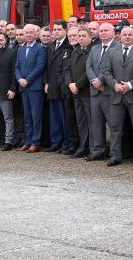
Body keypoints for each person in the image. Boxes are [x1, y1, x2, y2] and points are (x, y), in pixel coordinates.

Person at [101, 25, 133, 168]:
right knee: (115, 128)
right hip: (116, 95)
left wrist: (130, 85)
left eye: (130, 35)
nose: (127, 37)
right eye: (124, 34)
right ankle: (115, 156)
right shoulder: (112, 52)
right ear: (120, 36)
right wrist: (115, 85)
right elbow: (106, 72)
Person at [85, 22, 116, 161]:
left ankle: (114, 152)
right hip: (95, 92)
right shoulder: (94, 48)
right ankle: (98, 150)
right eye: (101, 31)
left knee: (113, 123)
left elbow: (111, 68)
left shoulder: (118, 47)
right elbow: (89, 66)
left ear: (113, 33)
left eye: (106, 31)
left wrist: (101, 80)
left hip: (109, 91)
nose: (103, 33)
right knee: (96, 123)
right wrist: (94, 81)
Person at [15, 24, 47, 153]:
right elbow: (16, 66)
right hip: (23, 87)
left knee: (36, 116)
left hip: (34, 87)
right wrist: (19, 79)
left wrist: (27, 80)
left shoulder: (40, 49)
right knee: (27, 116)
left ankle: (36, 142)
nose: (28, 35)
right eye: (26, 33)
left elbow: (40, 66)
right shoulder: (21, 49)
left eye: (30, 32)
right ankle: (28, 141)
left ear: (35, 34)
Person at [65, 25, 94, 159]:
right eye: (79, 36)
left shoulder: (93, 50)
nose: (80, 39)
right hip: (75, 92)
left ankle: (91, 148)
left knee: (90, 121)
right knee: (80, 122)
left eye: (83, 36)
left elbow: (89, 71)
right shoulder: (76, 50)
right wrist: (70, 83)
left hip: (86, 92)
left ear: (90, 37)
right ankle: (83, 146)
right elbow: (68, 70)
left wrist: (77, 84)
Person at [44, 22, 72, 153]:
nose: (55, 32)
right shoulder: (50, 46)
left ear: (65, 30)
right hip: (52, 85)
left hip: (62, 86)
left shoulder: (69, 45)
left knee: (64, 116)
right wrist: (46, 82)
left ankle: (66, 143)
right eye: (54, 30)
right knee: (54, 116)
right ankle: (56, 142)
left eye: (59, 30)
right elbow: (47, 67)